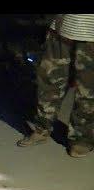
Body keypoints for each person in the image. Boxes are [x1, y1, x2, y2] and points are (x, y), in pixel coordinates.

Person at [16, 14, 94, 157]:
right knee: (49, 79)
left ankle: (81, 139)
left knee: (88, 89)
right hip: (61, 25)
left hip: (90, 33)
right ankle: (41, 128)